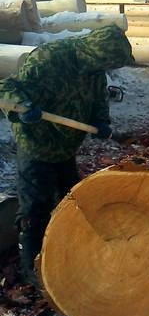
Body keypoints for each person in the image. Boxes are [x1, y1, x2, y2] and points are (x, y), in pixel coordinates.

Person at [0, 25, 135, 286]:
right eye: (109, 63)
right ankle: (32, 267)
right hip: (36, 146)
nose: (108, 68)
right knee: (34, 209)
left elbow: (98, 101)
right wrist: (22, 106)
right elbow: (7, 88)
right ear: (97, 54)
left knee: (71, 201)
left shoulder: (94, 71)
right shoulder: (49, 59)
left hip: (65, 147)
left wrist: (101, 121)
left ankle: (67, 251)